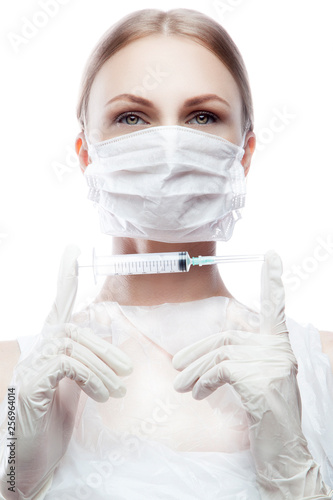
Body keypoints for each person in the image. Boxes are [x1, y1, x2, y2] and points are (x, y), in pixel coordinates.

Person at [1, 8, 333, 500]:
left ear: (244, 154)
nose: (170, 146)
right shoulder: (16, 378)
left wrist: (294, 472)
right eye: (131, 117)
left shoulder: (321, 366)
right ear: (87, 154)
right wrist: (13, 480)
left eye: (203, 116)